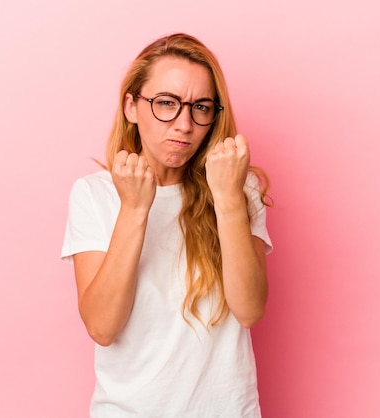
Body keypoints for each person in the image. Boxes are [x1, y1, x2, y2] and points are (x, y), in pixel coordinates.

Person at [61, 32, 273, 418]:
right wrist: (135, 209)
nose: (184, 125)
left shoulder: (240, 188)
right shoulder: (94, 195)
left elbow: (249, 310)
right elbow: (102, 327)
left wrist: (227, 201)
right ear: (131, 106)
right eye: (166, 104)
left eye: (201, 107)